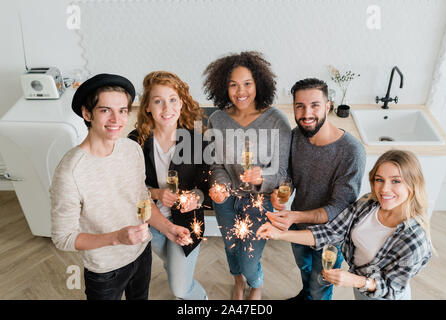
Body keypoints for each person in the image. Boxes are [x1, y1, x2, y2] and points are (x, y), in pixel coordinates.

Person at [50, 73, 192, 300]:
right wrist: (117, 238)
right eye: (105, 110)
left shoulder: (131, 149)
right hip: (105, 270)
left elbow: (142, 201)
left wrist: (168, 228)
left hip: (141, 254)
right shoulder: (70, 172)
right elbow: (63, 238)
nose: (116, 119)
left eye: (122, 110)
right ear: (87, 114)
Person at [257, 149, 433, 300]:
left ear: (412, 184)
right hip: (360, 289)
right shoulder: (367, 205)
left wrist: (355, 280)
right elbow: (329, 232)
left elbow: (391, 288)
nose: (384, 189)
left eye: (396, 181)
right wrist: (279, 234)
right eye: (379, 179)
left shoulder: (415, 239)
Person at [203, 51, 291, 300]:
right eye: (233, 85)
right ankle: (238, 281)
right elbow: (217, 164)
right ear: (224, 87)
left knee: (249, 259)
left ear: (259, 84)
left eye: (247, 84)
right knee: (231, 249)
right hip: (227, 201)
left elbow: (284, 173)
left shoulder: (276, 120)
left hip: (260, 201)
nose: (240, 91)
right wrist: (218, 186)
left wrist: (263, 177)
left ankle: (256, 281)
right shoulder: (218, 119)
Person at [267, 78, 366, 300]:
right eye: (299, 106)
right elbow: (289, 176)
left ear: (328, 106)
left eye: (314, 105)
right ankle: (305, 295)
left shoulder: (351, 151)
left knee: (321, 284)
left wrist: (295, 215)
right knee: (305, 270)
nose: (306, 113)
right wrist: (282, 193)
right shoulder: (295, 136)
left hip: (330, 235)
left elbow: (337, 207)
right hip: (299, 226)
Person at [128, 71, 210, 300]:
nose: (167, 108)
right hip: (151, 223)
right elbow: (130, 188)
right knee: (172, 265)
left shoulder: (197, 141)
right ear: (147, 107)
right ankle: (176, 270)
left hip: (186, 223)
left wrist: (197, 197)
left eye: (173, 100)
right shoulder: (136, 141)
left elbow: (207, 186)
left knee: (180, 289)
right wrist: (155, 192)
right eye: (158, 101)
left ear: (181, 103)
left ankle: (200, 299)